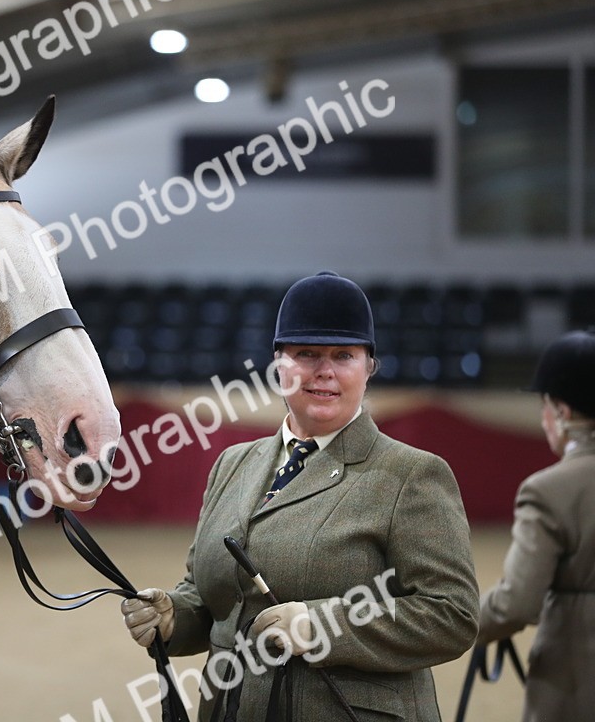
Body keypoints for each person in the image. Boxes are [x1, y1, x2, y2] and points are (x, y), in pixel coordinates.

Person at [121, 271, 479, 721]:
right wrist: (176, 616)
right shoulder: (233, 464)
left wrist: (325, 627)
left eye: (343, 355)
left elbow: (452, 614)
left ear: (369, 366)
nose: (323, 371)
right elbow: (217, 597)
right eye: (306, 353)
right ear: (278, 364)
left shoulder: (413, 475)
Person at [475, 328, 595, 722]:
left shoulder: (548, 491)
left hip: (576, 683)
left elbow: (517, 603)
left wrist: (465, 623)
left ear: (561, 411)